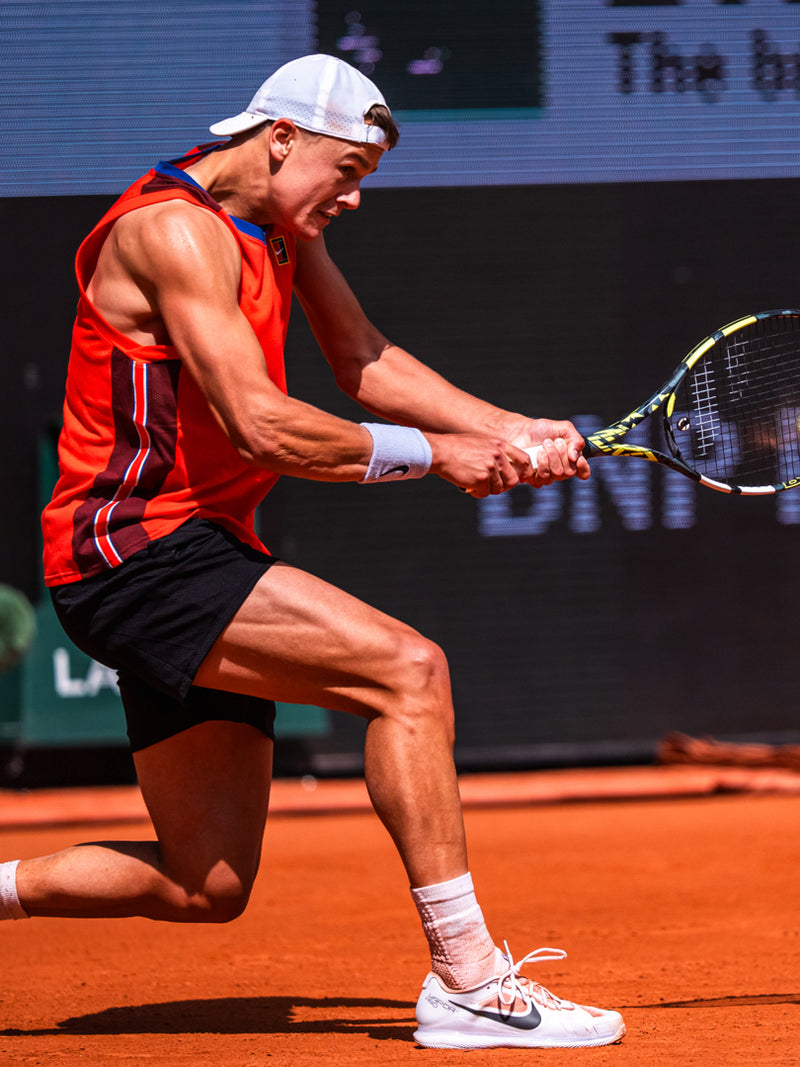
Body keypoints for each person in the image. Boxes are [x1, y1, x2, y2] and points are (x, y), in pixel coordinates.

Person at [1, 55, 624, 1050]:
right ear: (279, 139)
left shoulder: (280, 227)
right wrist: (440, 457)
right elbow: (260, 425)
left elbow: (364, 359)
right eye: (346, 167)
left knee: (203, 881)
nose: (356, 194)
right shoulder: (172, 231)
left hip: (189, 549)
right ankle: (466, 978)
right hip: (137, 549)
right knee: (408, 672)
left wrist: (508, 427)